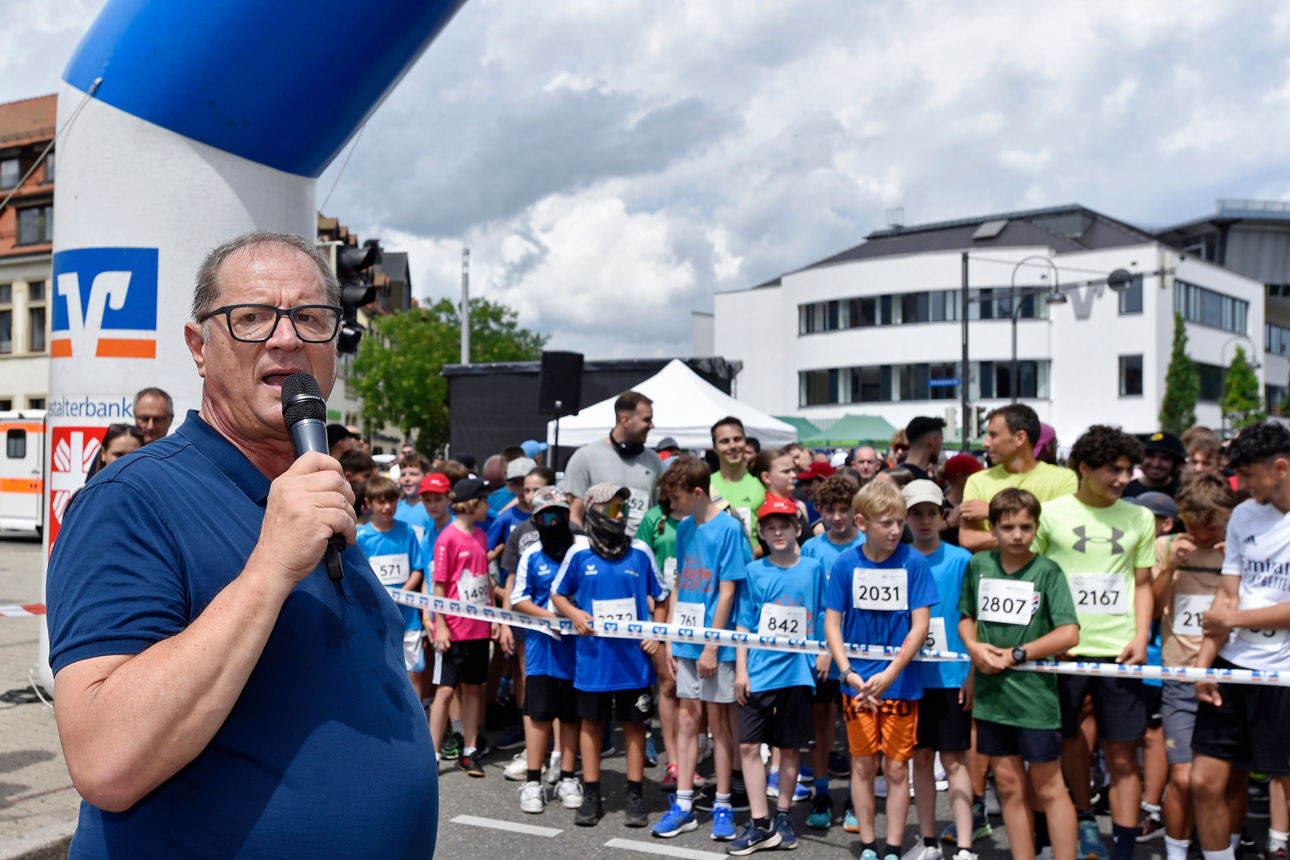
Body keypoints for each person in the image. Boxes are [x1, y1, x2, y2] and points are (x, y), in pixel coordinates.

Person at [46, 231, 436, 856]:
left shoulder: (315, 492)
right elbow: (104, 760)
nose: (287, 338)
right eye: (251, 317)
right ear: (199, 347)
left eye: (310, 318)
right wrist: (269, 568)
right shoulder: (131, 499)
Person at [1033, 425, 1155, 860]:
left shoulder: (1140, 516)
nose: (1122, 479)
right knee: (1069, 743)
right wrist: (1052, 636)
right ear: (1084, 468)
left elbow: (1143, 584)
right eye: (1112, 470)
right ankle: (1084, 821)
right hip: (1064, 650)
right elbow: (1037, 582)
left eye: (1127, 470)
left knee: (1123, 757)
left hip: (1119, 651)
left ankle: (1123, 849)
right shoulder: (1050, 514)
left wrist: (1141, 637)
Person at [958, 489, 1080, 860]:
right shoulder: (978, 565)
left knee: (1048, 787)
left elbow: (1069, 633)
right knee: (1009, 786)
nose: (1016, 534)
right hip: (993, 697)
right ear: (992, 527)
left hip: (1035, 699)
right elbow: (966, 619)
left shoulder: (1048, 571)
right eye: (1007, 526)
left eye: (1025, 527)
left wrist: (1017, 653)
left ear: (1037, 528)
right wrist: (975, 649)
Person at [824, 481, 937, 860]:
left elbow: (921, 626)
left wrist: (891, 672)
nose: (896, 530)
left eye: (899, 522)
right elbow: (832, 623)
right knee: (862, 764)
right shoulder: (845, 564)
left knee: (895, 769)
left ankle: (892, 847)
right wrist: (846, 672)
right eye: (886, 523)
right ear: (862, 522)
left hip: (901, 684)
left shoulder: (913, 562)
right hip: (857, 684)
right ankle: (868, 844)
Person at [1193, 422, 1290, 860]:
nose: (1242, 485)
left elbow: (1234, 611)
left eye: (1248, 475)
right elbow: (1227, 594)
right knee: (1202, 782)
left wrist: (1233, 617)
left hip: (1283, 674)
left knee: (1282, 783)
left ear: (1281, 468)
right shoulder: (1245, 515)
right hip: (1232, 666)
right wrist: (1203, 664)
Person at [551, 483, 669, 828]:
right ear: (593, 509)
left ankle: (634, 793)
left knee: (635, 726)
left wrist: (655, 634)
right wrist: (573, 614)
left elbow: (661, 597)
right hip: (593, 660)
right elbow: (558, 594)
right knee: (592, 724)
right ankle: (591, 793)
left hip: (633, 663)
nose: (619, 515)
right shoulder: (579, 553)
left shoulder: (640, 551)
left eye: (623, 508)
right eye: (612, 508)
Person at [654, 455, 749, 842]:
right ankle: (684, 803)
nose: (671, 507)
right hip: (687, 639)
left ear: (697, 492)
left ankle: (724, 802)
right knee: (688, 718)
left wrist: (712, 645)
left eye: (676, 499)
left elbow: (727, 592)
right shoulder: (684, 529)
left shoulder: (729, 529)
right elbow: (679, 587)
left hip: (717, 643)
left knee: (720, 723)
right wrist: (673, 640)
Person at [727, 495, 827, 855]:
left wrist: (825, 651)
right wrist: (741, 669)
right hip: (758, 671)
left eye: (784, 525)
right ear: (762, 533)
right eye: (770, 526)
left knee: (788, 748)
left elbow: (824, 613)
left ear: (798, 528)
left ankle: (783, 815)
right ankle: (758, 822)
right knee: (749, 745)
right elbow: (743, 622)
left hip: (798, 672)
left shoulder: (814, 568)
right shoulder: (754, 571)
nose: (778, 531)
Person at [1150, 472, 1234, 860]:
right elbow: (1149, 612)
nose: (1201, 534)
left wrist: (1235, 561)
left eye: (1210, 525)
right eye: (1194, 524)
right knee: (1182, 778)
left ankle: (1226, 848)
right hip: (1180, 673)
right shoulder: (1166, 546)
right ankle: (1176, 852)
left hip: (1231, 673)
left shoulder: (1238, 549)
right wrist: (1169, 567)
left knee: (1224, 780)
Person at [902, 479, 976, 860]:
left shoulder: (962, 560)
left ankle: (964, 845)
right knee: (920, 761)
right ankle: (928, 841)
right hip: (911, 678)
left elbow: (973, 617)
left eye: (932, 513)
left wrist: (972, 672)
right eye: (916, 513)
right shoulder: (898, 559)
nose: (925, 521)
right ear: (905, 518)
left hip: (952, 676)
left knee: (953, 760)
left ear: (943, 515)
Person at [509, 486, 583, 814]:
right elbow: (518, 599)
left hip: (578, 650)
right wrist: (552, 616)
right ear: (537, 521)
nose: (554, 522)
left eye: (560, 515)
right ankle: (533, 781)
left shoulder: (581, 550)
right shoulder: (531, 555)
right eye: (546, 517)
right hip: (542, 648)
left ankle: (567, 776)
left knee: (570, 715)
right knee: (538, 716)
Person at [800, 472, 864, 830]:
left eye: (844, 509)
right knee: (822, 726)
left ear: (856, 510)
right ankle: (821, 792)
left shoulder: (868, 544)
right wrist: (820, 647)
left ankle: (856, 796)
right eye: (830, 510)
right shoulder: (811, 548)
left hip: (857, 652)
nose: (837, 517)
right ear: (819, 509)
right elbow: (811, 604)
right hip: (819, 654)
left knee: (855, 727)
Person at [428, 476, 495, 778]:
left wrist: (494, 617)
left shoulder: (481, 535)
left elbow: (485, 581)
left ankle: (470, 751)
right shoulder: (447, 538)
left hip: (479, 627)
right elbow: (439, 587)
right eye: (485, 502)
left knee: (475, 689)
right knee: (444, 691)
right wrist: (440, 626)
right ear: (473, 504)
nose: (488, 507)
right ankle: (432, 753)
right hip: (454, 629)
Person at [959, 404, 1077, 552]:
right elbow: (968, 538)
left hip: (1042, 575)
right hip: (993, 575)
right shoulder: (977, 480)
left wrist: (993, 512)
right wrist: (1031, 532)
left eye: (993, 435)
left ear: (1020, 438)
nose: (985, 443)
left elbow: (1060, 534)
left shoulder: (1063, 479)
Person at [356, 476, 427, 696]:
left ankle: (419, 717)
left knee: (415, 672)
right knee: (383, 669)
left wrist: (402, 593)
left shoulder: (407, 531)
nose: (387, 507)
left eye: (392, 501)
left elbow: (417, 569)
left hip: (408, 615)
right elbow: (360, 576)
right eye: (381, 502)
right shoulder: (362, 537)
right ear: (368, 503)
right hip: (377, 616)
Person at [562, 391, 664, 538]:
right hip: (599, 553)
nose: (652, 426)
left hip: (641, 553)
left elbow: (660, 512)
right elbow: (575, 515)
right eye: (646, 420)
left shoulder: (654, 461)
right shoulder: (585, 457)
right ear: (625, 420)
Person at [709, 416, 767, 545]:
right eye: (725, 441)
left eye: (737, 439)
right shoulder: (706, 485)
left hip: (752, 562)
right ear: (715, 448)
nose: (733, 446)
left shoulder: (762, 484)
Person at [1126, 432, 1187, 498]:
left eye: (1165, 458)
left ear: (1176, 463)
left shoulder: (1183, 493)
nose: (1156, 464)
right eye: (1151, 456)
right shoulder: (1124, 490)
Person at [396, 452, 433, 540]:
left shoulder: (432, 509)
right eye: (403, 475)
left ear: (426, 477)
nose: (406, 479)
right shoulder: (395, 507)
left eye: (413, 474)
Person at [903, 417, 946, 483]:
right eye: (941, 440)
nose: (941, 447)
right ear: (932, 441)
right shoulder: (925, 484)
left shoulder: (893, 476)